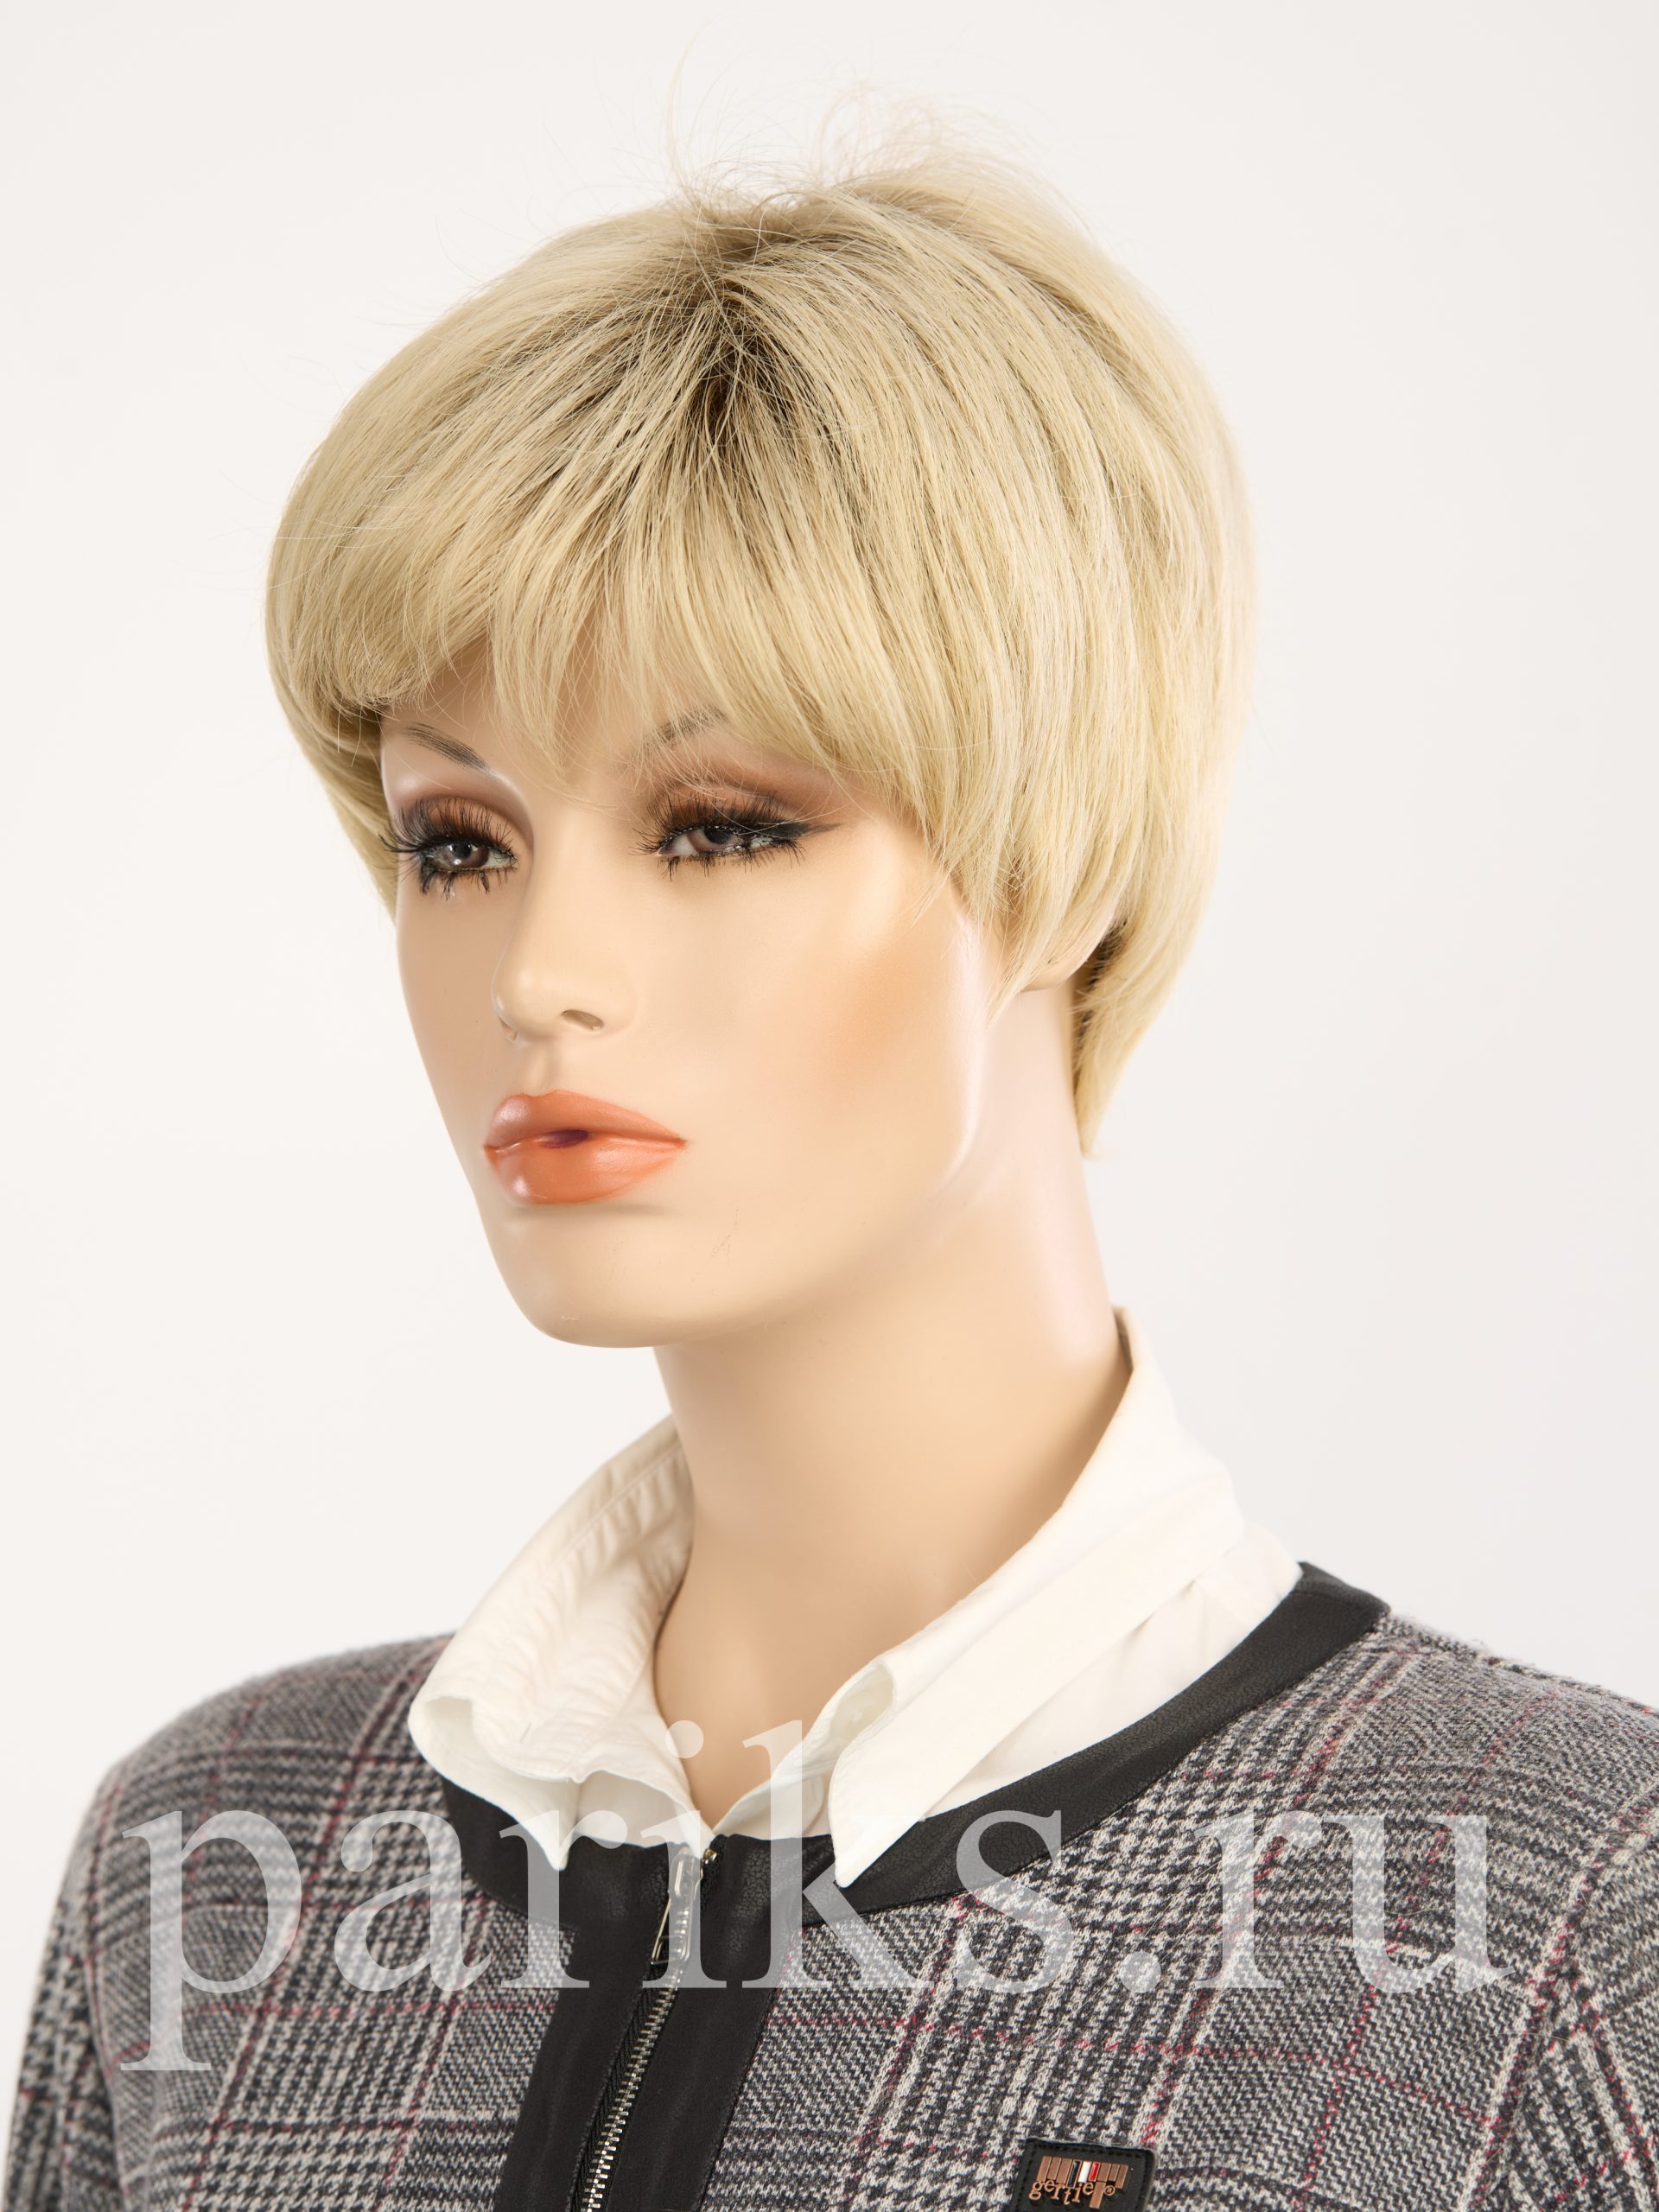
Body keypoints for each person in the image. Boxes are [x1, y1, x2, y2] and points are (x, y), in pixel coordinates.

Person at [8, 130, 1656, 2212]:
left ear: (1056, 862)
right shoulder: (207, 1881)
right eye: (460, 839)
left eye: (718, 825)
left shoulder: (1553, 1920)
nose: (541, 973)